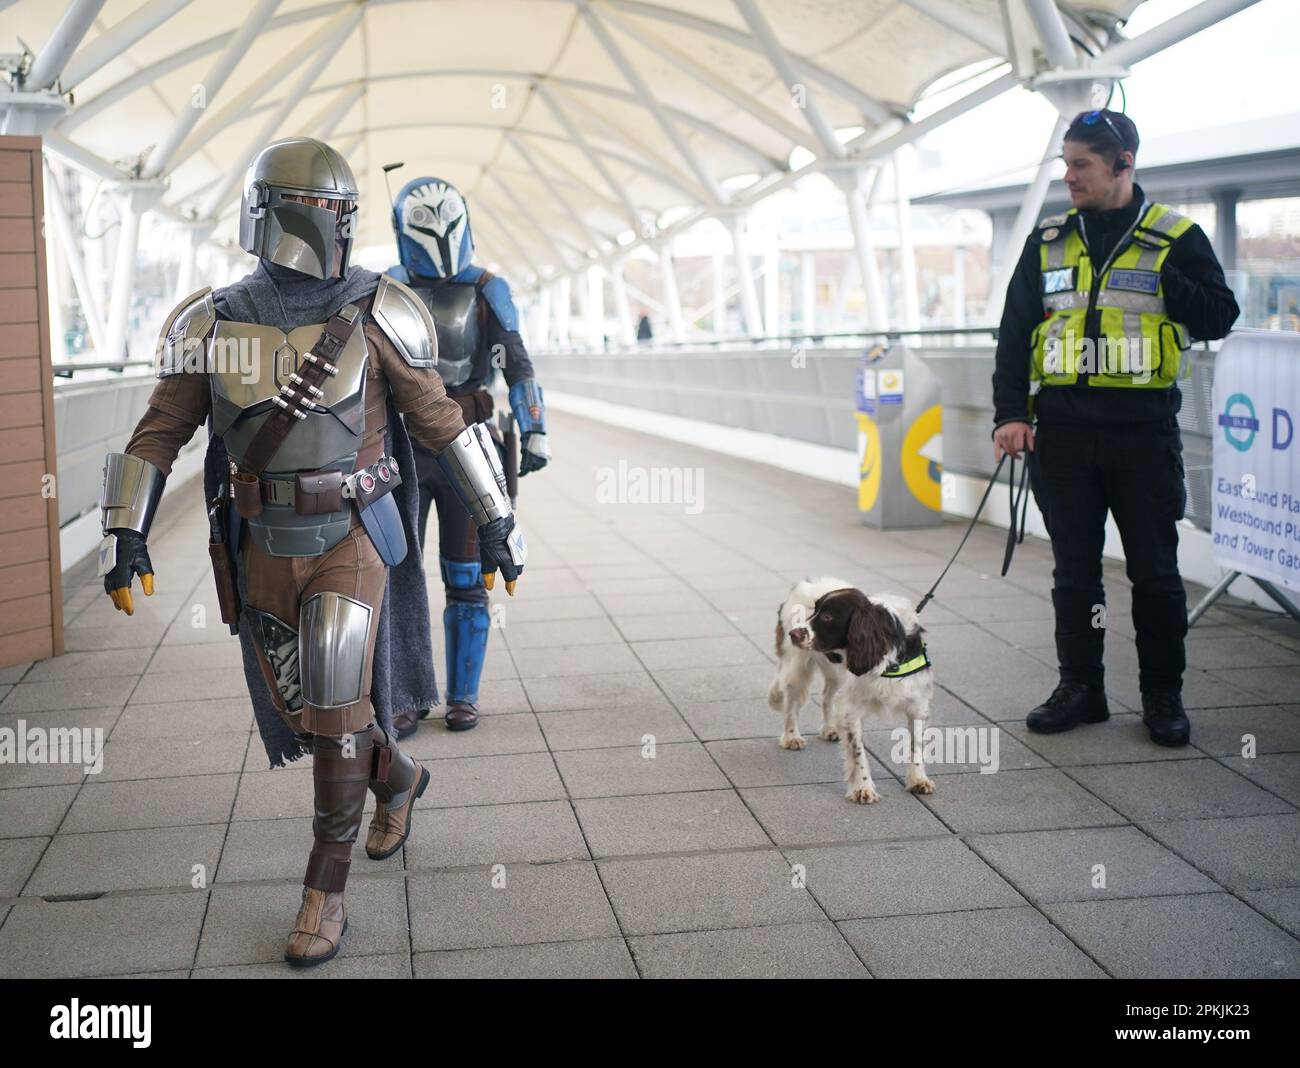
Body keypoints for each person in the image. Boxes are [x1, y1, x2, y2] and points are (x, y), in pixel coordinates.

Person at [97, 137, 526, 965]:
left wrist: (498, 516)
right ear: (285, 211)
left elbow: (438, 416)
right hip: (259, 539)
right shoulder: (211, 318)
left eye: (341, 210)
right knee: (312, 710)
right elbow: (161, 431)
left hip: (352, 533)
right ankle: (397, 776)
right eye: (329, 208)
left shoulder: (378, 306)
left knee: (331, 707)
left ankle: (323, 894)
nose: (336, 223)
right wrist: (126, 529)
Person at [991, 109, 1239, 748]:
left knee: (1155, 573)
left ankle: (1163, 695)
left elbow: (1219, 316)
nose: (1068, 177)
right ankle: (1083, 687)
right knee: (1074, 574)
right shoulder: (1048, 239)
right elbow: (1016, 331)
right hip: (1063, 438)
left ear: (1123, 164)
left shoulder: (1175, 236)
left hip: (1143, 437)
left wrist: (1164, 276)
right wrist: (1011, 414)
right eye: (1066, 164)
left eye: (1081, 165)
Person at [388, 175, 550, 736]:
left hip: (469, 440)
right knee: (394, 574)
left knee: (467, 574)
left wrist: (534, 429)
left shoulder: (487, 288)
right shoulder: (387, 287)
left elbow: (517, 362)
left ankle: (462, 696)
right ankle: (406, 694)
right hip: (402, 447)